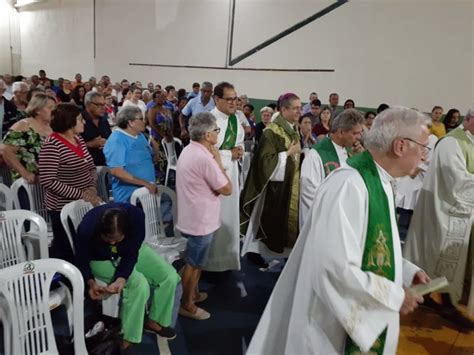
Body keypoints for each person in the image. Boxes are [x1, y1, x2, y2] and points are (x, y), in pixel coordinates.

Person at [248, 107, 431, 355]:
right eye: (423, 147)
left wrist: (405, 271)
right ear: (400, 146)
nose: (424, 156)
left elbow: (371, 244)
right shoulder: (349, 185)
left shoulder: (380, 181)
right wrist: (394, 295)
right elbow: (334, 267)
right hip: (329, 325)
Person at [75, 203, 180, 350]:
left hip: (130, 250)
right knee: (139, 285)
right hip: (100, 258)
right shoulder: (87, 229)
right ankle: (127, 338)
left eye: (116, 239)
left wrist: (121, 277)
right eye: (107, 239)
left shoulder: (136, 217)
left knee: (169, 276)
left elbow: (131, 253)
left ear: (126, 231)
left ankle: (154, 320)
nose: (112, 242)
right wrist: (91, 283)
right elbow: (81, 259)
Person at [404, 105, 474, 327]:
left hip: (463, 213)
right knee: (439, 259)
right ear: (470, 119)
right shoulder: (452, 143)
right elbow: (456, 181)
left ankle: (445, 300)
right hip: (443, 212)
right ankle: (446, 303)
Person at [175, 112, 232, 320]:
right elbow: (227, 189)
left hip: (191, 215)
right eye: (216, 130)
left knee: (194, 261)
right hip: (201, 220)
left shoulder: (190, 150)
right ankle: (187, 304)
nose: (218, 133)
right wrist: (218, 161)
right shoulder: (205, 158)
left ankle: (193, 294)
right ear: (208, 135)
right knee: (194, 264)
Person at [241, 93, 302, 259]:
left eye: (300, 108)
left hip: (290, 183)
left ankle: (282, 257)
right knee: (266, 222)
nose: (299, 112)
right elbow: (265, 162)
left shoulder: (292, 128)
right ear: (283, 109)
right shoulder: (271, 132)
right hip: (274, 186)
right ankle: (255, 255)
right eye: (295, 108)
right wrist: (288, 153)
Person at [39, 103, 101, 262]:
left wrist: (92, 187)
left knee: (84, 244)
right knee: (66, 247)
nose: (84, 123)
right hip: (62, 206)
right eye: (80, 119)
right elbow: (48, 180)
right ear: (68, 121)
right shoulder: (52, 144)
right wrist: (81, 194)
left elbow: (91, 167)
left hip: (84, 200)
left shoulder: (78, 139)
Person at [299, 109, 365, 228]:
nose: (359, 137)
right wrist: (335, 213)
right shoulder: (316, 155)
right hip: (324, 221)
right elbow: (309, 193)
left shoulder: (351, 151)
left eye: (360, 133)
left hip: (346, 219)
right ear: (340, 132)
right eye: (355, 133)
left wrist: (361, 160)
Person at [203, 81, 244, 272]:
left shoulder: (236, 120)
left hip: (231, 174)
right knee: (214, 219)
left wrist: (239, 152)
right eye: (229, 99)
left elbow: (239, 143)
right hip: (213, 179)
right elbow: (204, 152)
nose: (233, 103)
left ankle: (227, 260)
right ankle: (210, 264)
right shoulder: (207, 121)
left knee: (229, 218)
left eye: (235, 99)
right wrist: (230, 154)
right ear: (216, 99)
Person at [104, 106, 157, 203]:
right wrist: (145, 183)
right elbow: (117, 171)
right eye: (141, 119)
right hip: (129, 196)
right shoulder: (117, 140)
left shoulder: (140, 135)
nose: (144, 122)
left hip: (148, 192)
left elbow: (150, 158)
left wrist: (155, 147)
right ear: (130, 123)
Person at [2, 93, 55, 182]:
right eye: (50, 108)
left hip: (50, 181)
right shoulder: (23, 126)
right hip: (29, 183)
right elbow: (5, 150)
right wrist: (25, 173)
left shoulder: (52, 126)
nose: (54, 111)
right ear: (38, 109)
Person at [81, 91, 112, 166]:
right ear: (88, 104)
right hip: (86, 165)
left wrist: (107, 142)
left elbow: (110, 138)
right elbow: (68, 147)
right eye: (99, 105)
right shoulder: (78, 120)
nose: (103, 107)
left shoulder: (104, 120)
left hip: (106, 162)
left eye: (104, 104)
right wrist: (89, 144)